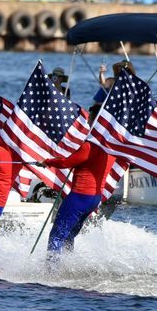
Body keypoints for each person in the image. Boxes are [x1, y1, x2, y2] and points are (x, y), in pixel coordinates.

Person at [42, 104, 116, 254]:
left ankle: (50, 271)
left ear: (98, 120)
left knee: (57, 235)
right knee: (69, 235)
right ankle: (68, 265)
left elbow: (66, 163)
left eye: (90, 118)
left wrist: (48, 161)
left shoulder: (90, 146)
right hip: (94, 199)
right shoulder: (112, 146)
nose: (87, 122)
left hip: (80, 196)